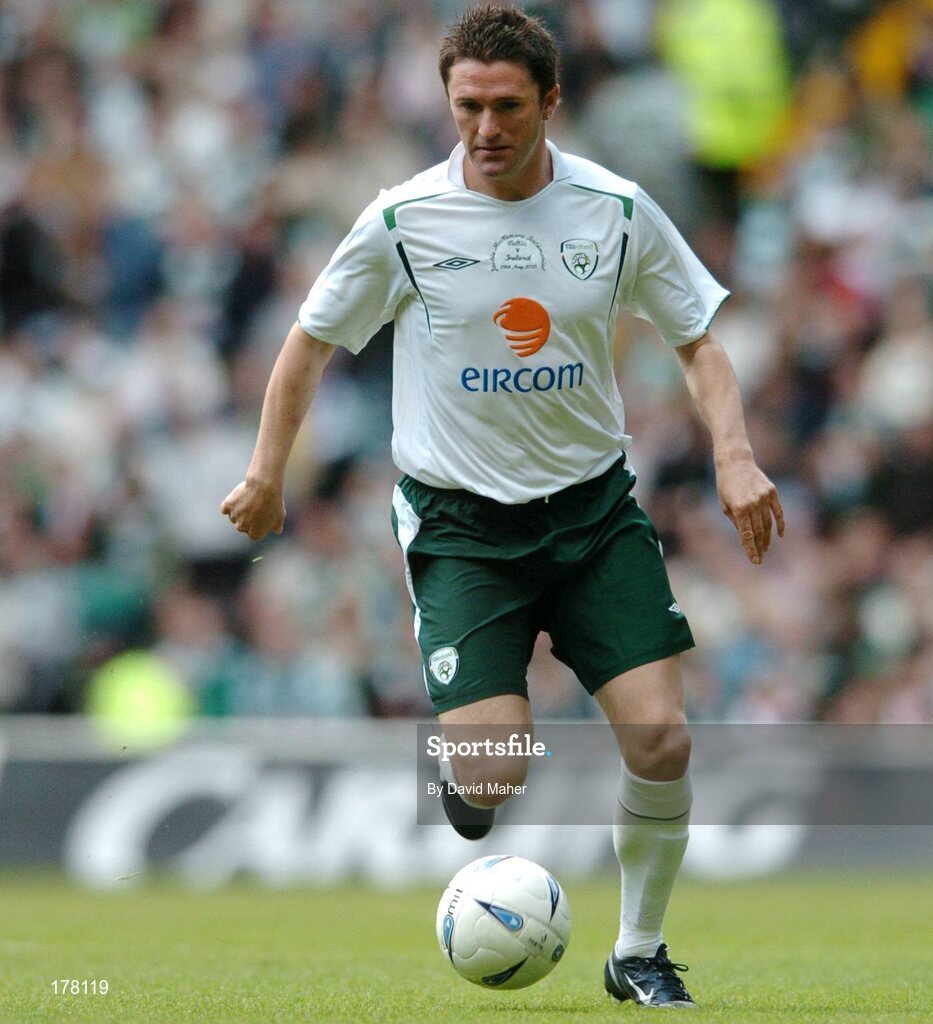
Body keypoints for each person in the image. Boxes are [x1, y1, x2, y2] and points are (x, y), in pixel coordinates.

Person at [221, 4, 784, 1009]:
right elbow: (308, 341)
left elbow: (697, 339)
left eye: (507, 107)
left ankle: (639, 951)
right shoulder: (403, 220)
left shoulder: (614, 210)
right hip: (463, 529)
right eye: (467, 106)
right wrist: (267, 473)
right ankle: (468, 777)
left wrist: (734, 457)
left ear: (550, 102)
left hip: (592, 515)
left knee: (661, 739)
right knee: (490, 771)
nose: (485, 128)